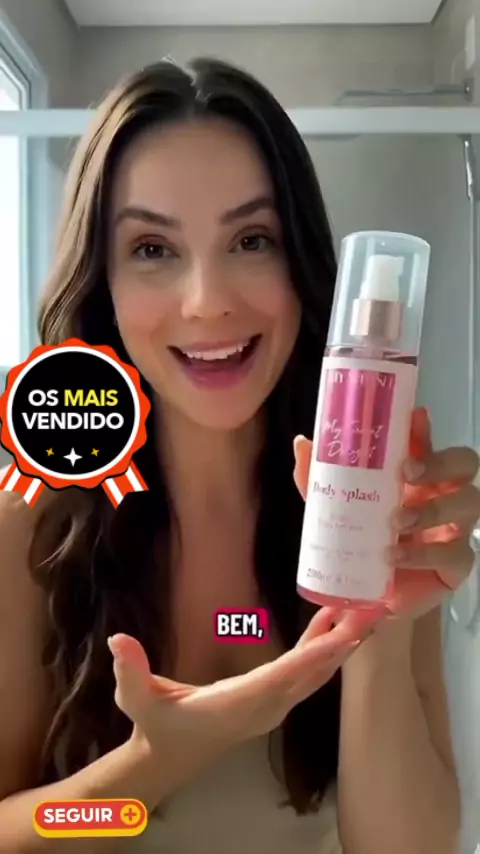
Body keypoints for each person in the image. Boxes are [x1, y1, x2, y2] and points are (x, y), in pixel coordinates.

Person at [0, 57, 479, 854]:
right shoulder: (31, 526)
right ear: (102, 284)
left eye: (252, 239)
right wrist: (151, 767)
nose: (208, 302)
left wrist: (379, 628)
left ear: (301, 266)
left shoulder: (367, 513)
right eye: (153, 248)